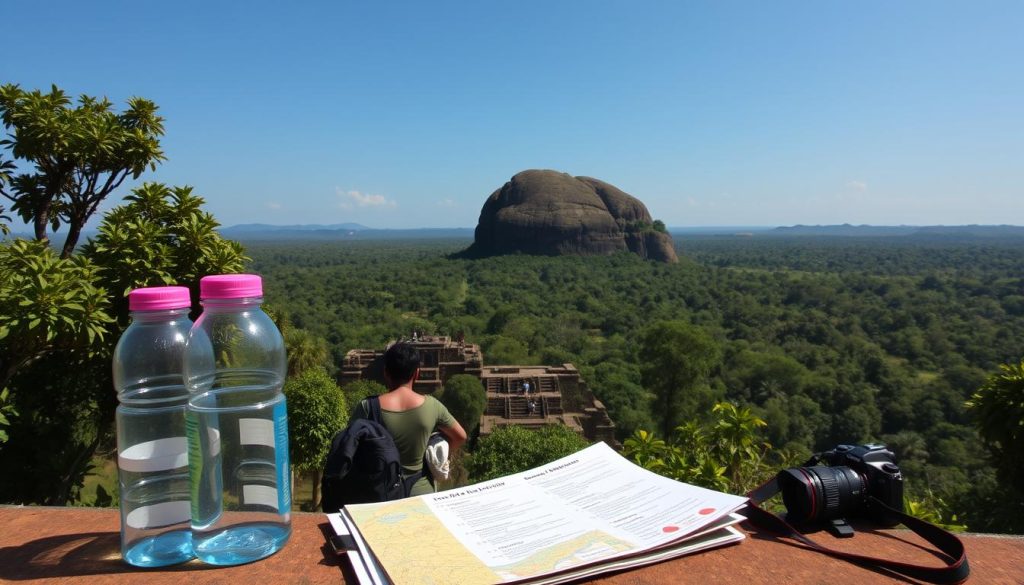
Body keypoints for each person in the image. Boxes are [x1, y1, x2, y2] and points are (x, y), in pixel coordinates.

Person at [351, 343, 466, 496]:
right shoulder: (433, 406)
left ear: (386, 372)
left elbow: (350, 447)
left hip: (381, 492)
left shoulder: (367, 407)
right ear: (416, 373)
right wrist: (436, 455)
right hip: (420, 491)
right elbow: (460, 436)